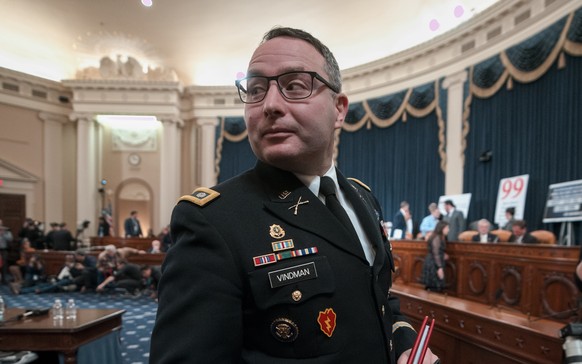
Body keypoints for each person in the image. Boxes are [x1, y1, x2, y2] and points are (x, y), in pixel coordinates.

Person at [150, 27, 438, 364]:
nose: (270, 104)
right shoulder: (213, 221)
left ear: (339, 109)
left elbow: (380, 299)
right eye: (256, 90)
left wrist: (405, 344)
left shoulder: (361, 198)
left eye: (295, 86)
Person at [421, 221, 449, 292]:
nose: (448, 229)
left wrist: (443, 254)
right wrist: (439, 268)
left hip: (433, 262)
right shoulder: (437, 237)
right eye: (447, 228)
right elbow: (436, 253)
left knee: (434, 288)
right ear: (442, 228)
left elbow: (438, 251)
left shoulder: (439, 236)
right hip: (433, 264)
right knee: (434, 288)